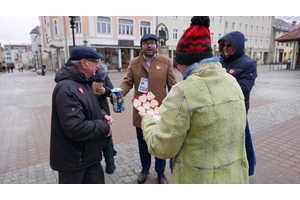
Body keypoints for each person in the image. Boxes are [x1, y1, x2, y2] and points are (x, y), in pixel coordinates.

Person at [139, 16, 249, 184]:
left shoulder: (183, 92)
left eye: (178, 66)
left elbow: (162, 148)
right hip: (233, 179)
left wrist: (147, 118)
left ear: (186, 63)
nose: (179, 70)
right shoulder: (232, 82)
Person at [119, 33, 177, 184]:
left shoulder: (166, 62)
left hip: (160, 111)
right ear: (142, 46)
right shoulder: (134, 63)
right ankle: (145, 169)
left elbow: (173, 86)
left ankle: (160, 172)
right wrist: (119, 93)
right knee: (143, 143)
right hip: (142, 111)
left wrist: (177, 104)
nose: (149, 46)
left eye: (151, 43)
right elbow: (127, 82)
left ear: (156, 45)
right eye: (145, 43)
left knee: (160, 141)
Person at [50, 46, 113, 184]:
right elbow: (76, 128)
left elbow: (88, 108)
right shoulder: (67, 88)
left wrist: (102, 115)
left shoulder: (84, 82)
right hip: (74, 161)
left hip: (88, 157)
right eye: (95, 62)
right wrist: (104, 127)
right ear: (84, 63)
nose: (98, 66)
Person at [218, 31, 257, 176]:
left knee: (234, 148)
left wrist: (218, 83)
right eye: (224, 45)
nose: (226, 48)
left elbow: (243, 90)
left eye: (229, 45)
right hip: (217, 111)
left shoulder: (249, 64)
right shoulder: (219, 61)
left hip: (236, 113)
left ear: (238, 46)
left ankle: (236, 174)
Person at [94, 65, 117, 174]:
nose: (96, 64)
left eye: (96, 61)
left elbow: (113, 92)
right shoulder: (84, 76)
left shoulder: (103, 74)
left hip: (104, 111)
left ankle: (110, 166)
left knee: (107, 139)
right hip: (90, 113)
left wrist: (105, 91)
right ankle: (95, 168)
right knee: (94, 141)